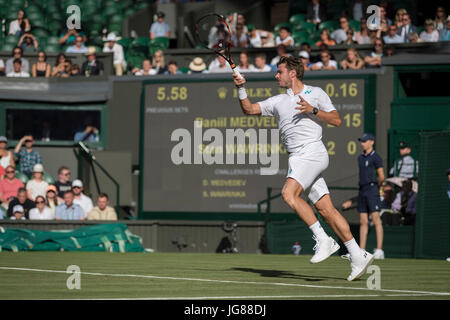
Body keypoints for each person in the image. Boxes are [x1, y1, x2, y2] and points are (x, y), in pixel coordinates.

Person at [233, 55, 374, 281]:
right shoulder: (278, 101)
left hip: (312, 152)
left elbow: (337, 120)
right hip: (297, 159)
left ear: (293, 73)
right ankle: (358, 255)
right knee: (327, 210)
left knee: (289, 194)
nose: (276, 75)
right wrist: (241, 88)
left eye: (279, 71)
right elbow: (249, 109)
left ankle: (324, 239)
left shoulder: (316, 93)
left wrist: (313, 110)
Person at [355, 133, 385, 259]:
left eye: (365, 141)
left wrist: (377, 187)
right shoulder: (360, 158)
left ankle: (379, 250)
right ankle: (361, 250)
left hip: (372, 189)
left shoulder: (376, 157)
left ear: (371, 142)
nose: (362, 143)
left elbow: (381, 176)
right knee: (363, 221)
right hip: (362, 190)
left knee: (376, 219)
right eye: (361, 141)